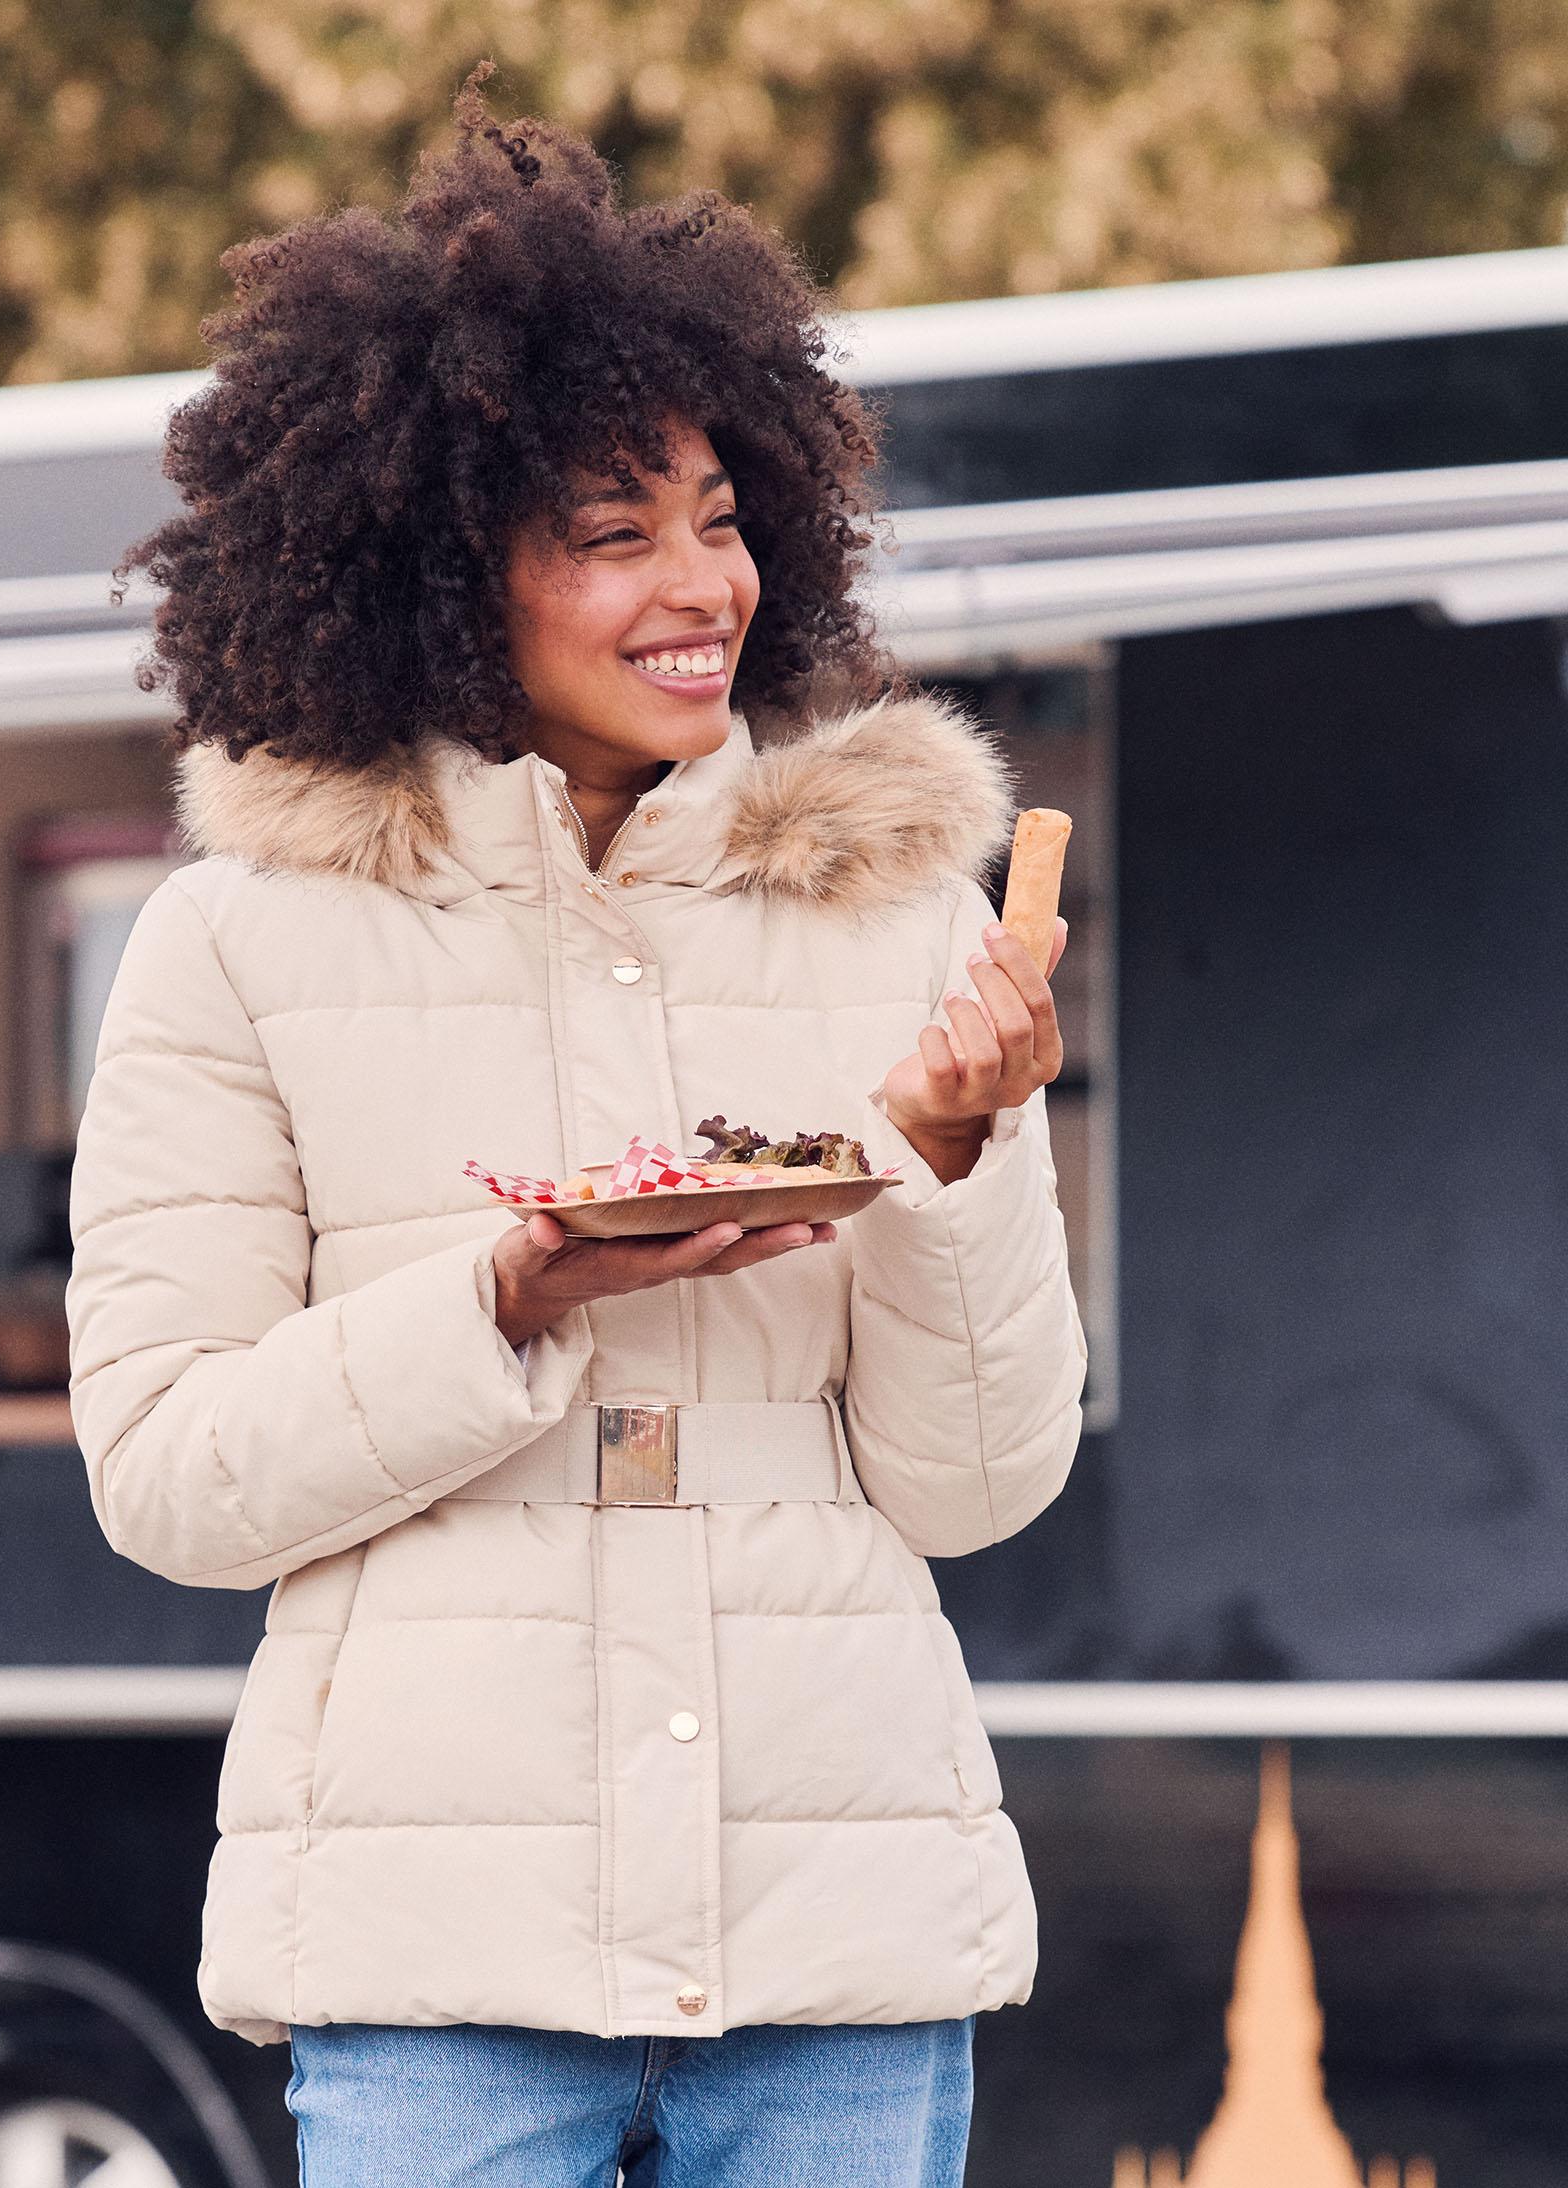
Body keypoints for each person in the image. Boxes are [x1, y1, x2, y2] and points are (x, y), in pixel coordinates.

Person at [65, 60, 1086, 2188]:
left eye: (719, 516)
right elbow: (169, 1477)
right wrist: (504, 1300)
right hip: (435, 1964)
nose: (697, 583)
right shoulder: (237, 946)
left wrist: (949, 1158)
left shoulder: (901, 919)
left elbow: (977, 1485)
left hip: (835, 1954)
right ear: (444, 579)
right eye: (613, 535)